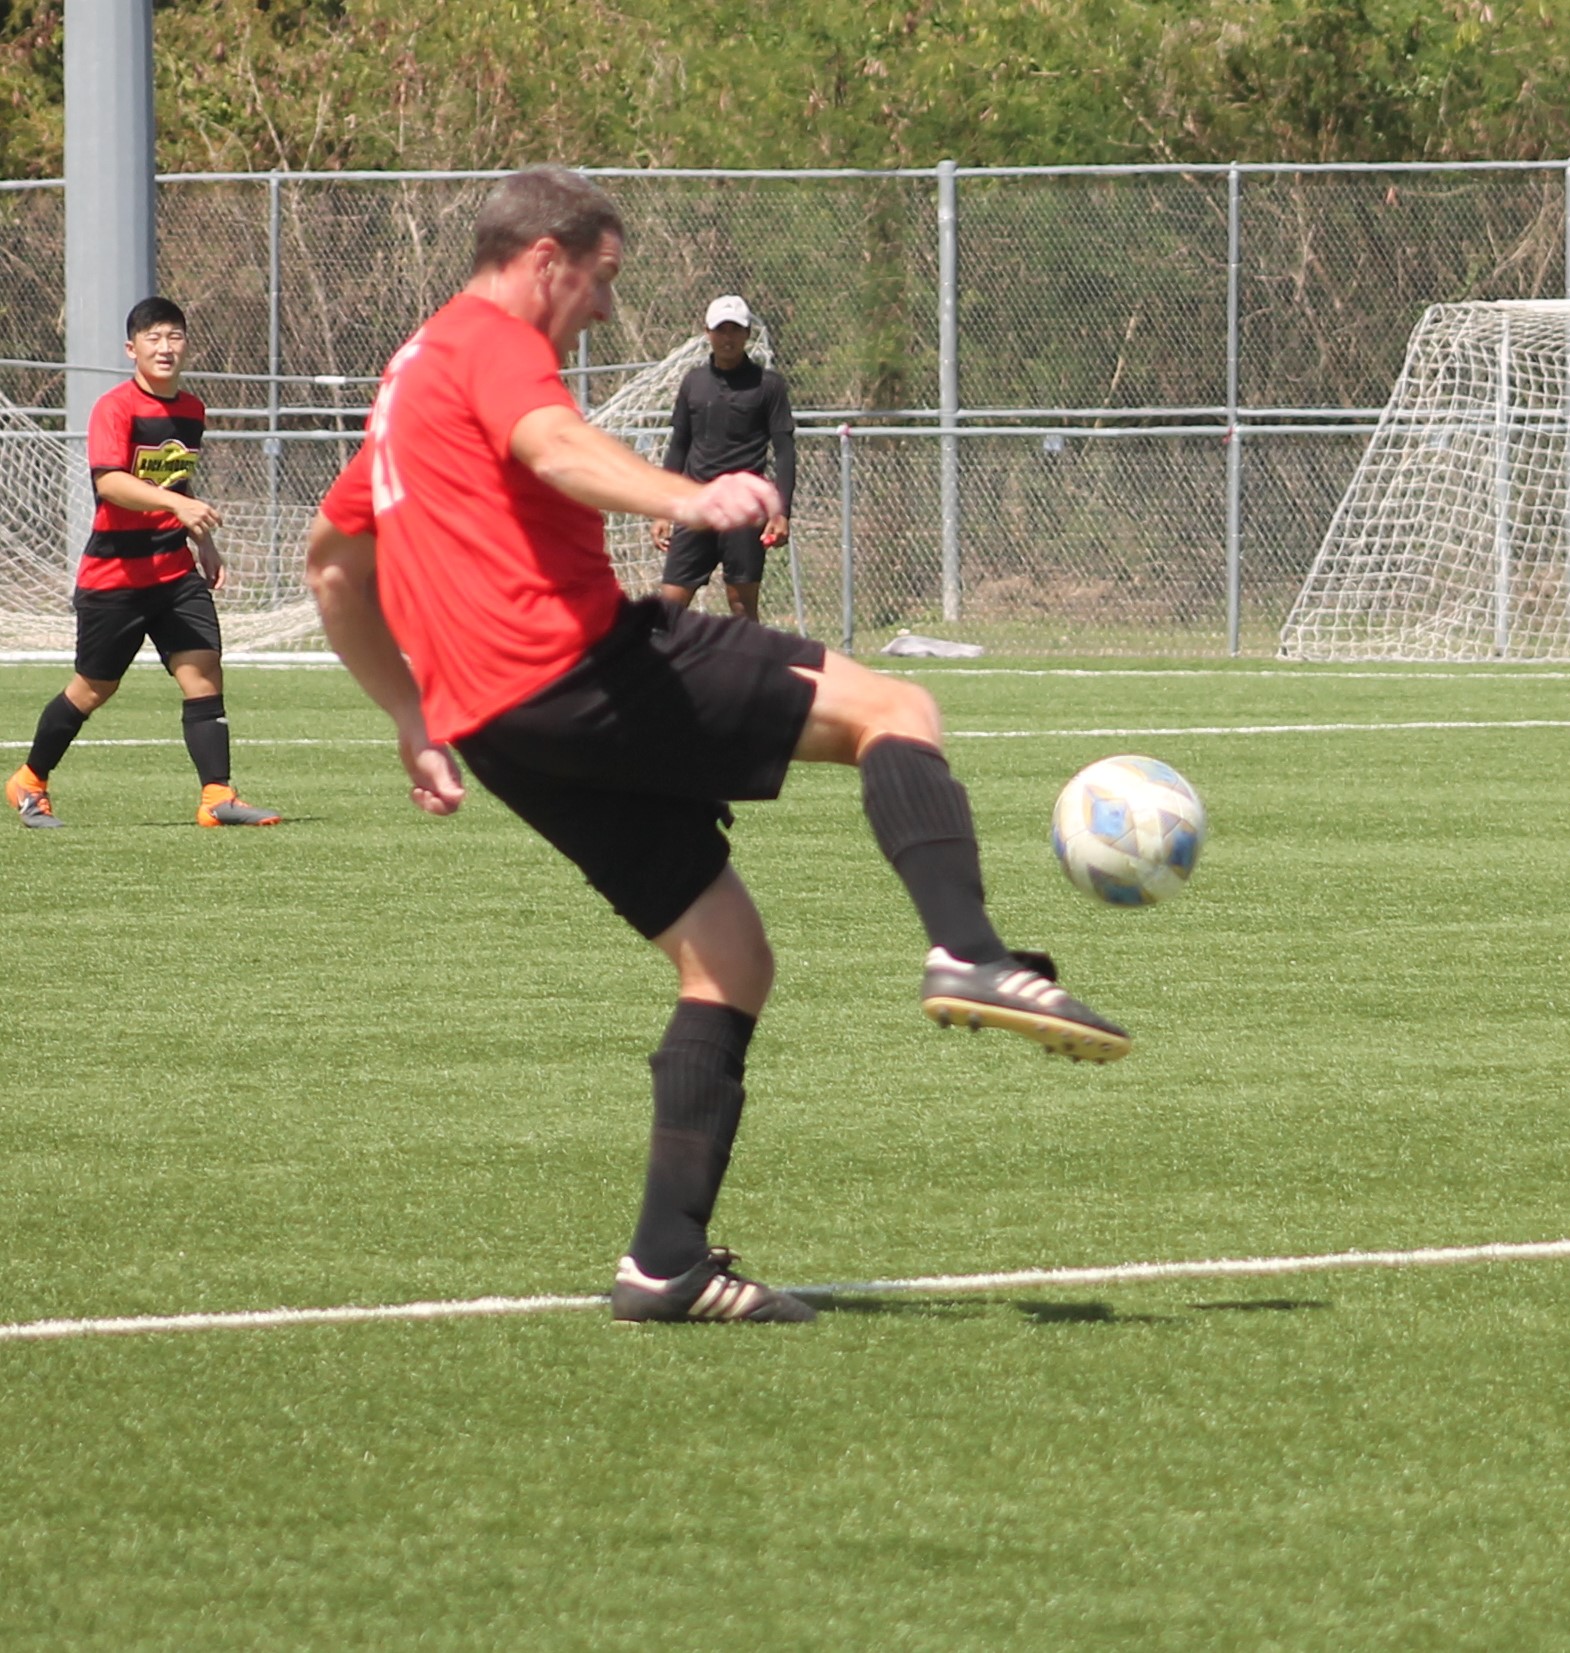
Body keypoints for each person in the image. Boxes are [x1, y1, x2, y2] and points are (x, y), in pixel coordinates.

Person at [305, 167, 1128, 1326]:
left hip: (500, 731)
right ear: (545, 256)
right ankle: (969, 952)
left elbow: (333, 568)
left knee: (728, 960)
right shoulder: (491, 343)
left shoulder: (407, 383)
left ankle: (665, 1262)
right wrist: (690, 500)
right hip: (585, 666)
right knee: (898, 712)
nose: (602, 308)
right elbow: (552, 446)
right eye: (600, 280)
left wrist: (409, 716)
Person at [6, 298, 282, 830]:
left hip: (174, 572)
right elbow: (109, 482)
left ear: (186, 344)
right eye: (153, 338)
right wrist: (176, 504)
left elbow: (179, 482)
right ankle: (30, 779)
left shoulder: (192, 410)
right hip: (115, 578)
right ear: (132, 349)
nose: (164, 346)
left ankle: (217, 796)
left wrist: (203, 539)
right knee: (93, 688)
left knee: (202, 672)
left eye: (173, 336)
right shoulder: (116, 407)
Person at [651, 295, 793, 622]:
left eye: (735, 330)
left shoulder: (769, 385)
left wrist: (781, 512)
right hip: (696, 506)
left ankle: (751, 671)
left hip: (744, 512)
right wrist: (662, 508)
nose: (727, 337)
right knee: (669, 605)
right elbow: (679, 445)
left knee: (741, 605)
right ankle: (659, 671)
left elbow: (785, 451)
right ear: (707, 333)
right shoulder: (693, 383)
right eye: (720, 330)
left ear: (747, 334)